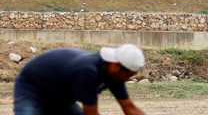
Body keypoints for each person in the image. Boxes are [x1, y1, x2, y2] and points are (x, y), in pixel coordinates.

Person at [13, 43, 147, 115]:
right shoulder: (88, 72)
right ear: (117, 65)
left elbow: (130, 109)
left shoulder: (114, 74)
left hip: (60, 99)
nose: (126, 80)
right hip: (32, 91)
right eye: (128, 75)